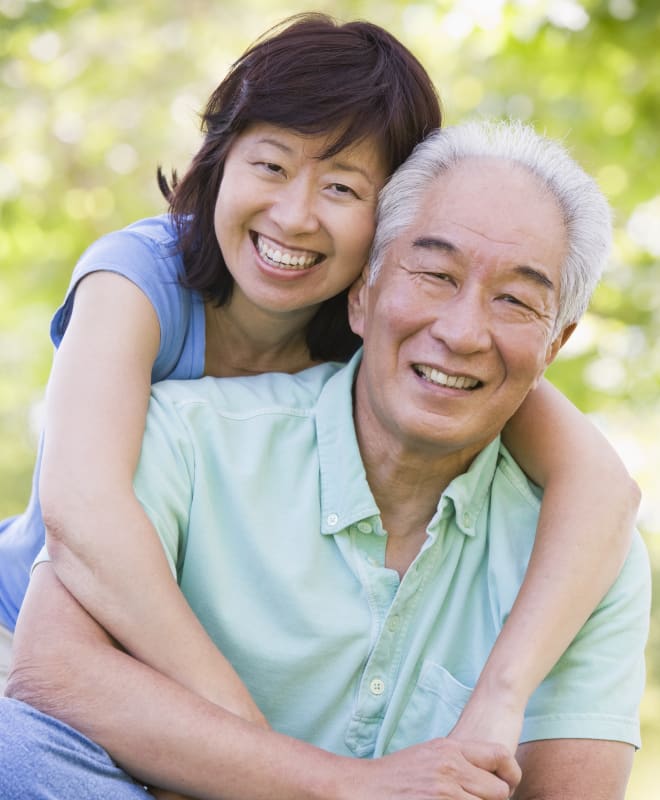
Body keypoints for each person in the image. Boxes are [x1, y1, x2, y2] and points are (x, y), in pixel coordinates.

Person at [0, 14, 639, 751]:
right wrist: (244, 731)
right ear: (216, 160)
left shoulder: (406, 331)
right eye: (269, 167)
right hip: (29, 634)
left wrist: (501, 696)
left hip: (168, 703)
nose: (296, 216)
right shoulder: (140, 279)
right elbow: (84, 516)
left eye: (341, 186)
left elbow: (599, 487)